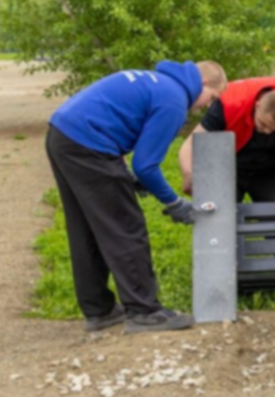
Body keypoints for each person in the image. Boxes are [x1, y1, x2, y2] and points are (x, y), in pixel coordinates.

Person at [46, 60, 227, 334]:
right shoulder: (174, 100)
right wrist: (174, 202)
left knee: (85, 227)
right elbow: (146, 164)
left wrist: (129, 176)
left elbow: (115, 120)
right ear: (202, 84)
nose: (205, 106)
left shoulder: (156, 81)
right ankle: (144, 312)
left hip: (63, 135)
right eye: (211, 98)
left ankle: (99, 310)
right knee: (125, 228)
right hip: (89, 145)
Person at [178, 77, 275, 214]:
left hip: (270, 168)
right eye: (263, 124)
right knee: (217, 216)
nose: (267, 131)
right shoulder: (228, 103)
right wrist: (189, 173)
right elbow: (191, 143)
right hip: (227, 166)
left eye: (274, 129)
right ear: (258, 105)